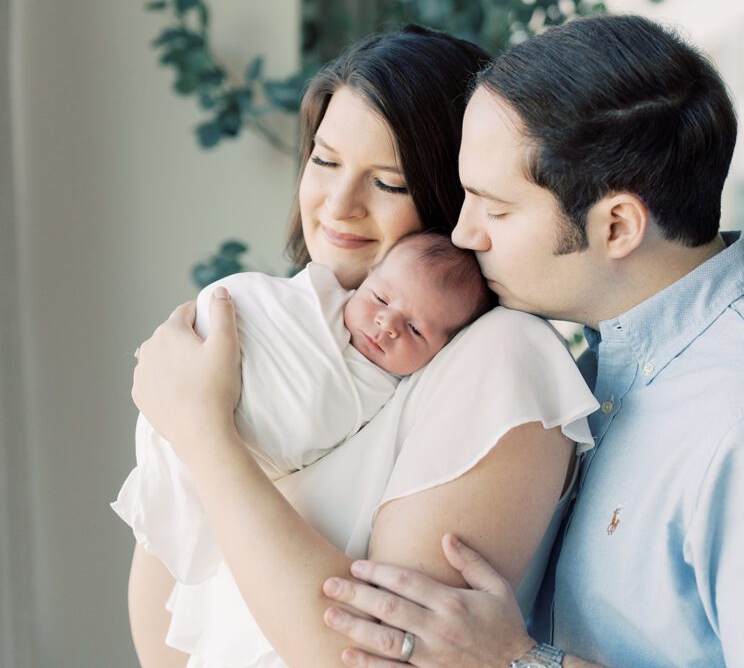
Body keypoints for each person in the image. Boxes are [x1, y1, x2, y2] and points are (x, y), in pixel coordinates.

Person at [124, 25, 598, 668]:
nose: (338, 207)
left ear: (457, 196)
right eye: (324, 161)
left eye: (386, 180)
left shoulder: (499, 360)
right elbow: (169, 666)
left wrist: (203, 433)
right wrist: (193, 428)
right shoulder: (261, 341)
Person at [321, 14, 744, 668]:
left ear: (617, 227)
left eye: (492, 206)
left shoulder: (743, 420)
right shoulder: (591, 367)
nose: (460, 233)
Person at [113, 231, 492, 584]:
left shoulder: (392, 395)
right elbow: (250, 308)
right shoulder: (313, 302)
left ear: (443, 350)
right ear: (368, 279)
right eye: (380, 298)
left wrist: (205, 421)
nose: (387, 324)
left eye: (415, 330)